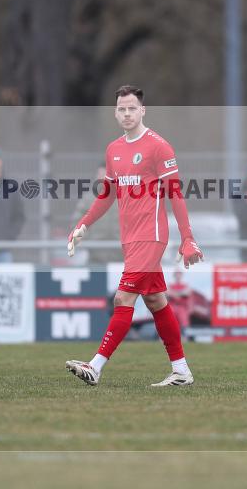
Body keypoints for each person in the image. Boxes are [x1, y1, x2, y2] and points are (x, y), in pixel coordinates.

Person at [64, 85, 203, 388]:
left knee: (123, 297)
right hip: (130, 239)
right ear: (116, 113)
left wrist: (187, 237)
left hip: (151, 236)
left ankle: (96, 366)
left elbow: (175, 194)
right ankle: (181, 370)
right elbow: (107, 194)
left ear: (143, 110)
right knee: (155, 300)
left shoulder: (158, 146)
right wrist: (83, 224)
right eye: (121, 109)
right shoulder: (113, 149)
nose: (127, 113)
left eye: (132, 108)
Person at [71, 162, 122, 265]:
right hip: (95, 255)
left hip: (121, 256)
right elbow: (77, 222)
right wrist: (86, 240)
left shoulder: (127, 198)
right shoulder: (89, 199)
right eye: (100, 175)